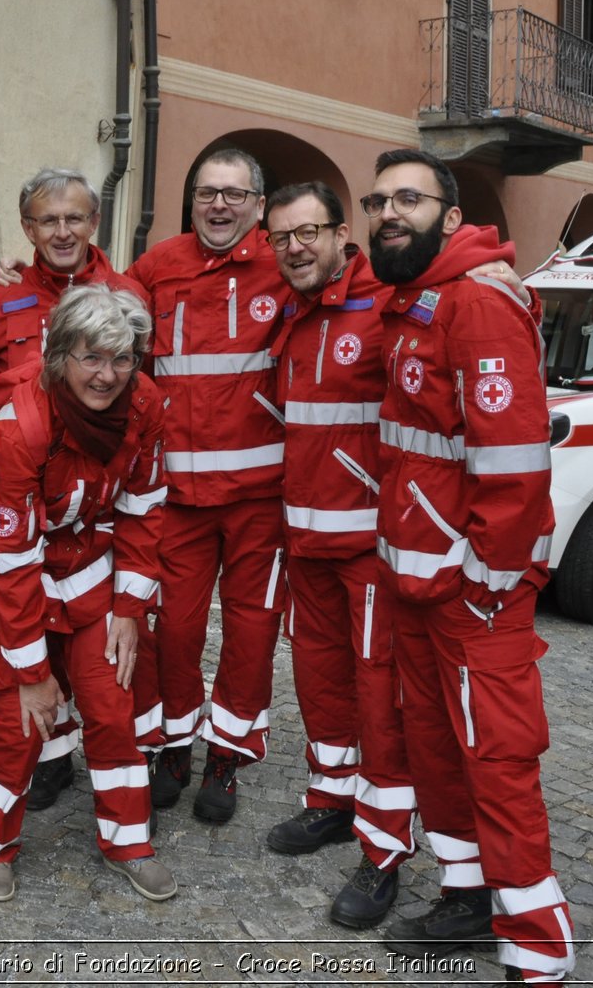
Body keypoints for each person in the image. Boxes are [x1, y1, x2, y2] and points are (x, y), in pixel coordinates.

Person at [367, 148, 574, 986]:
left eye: (409, 199)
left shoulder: (478, 304)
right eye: (378, 198)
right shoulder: (415, 297)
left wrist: (486, 577)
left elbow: (517, 463)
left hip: (470, 589)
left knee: (497, 756)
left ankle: (539, 947)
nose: (388, 211)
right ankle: (466, 895)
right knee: (438, 746)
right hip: (420, 578)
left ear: (450, 218)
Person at [0, 282, 173, 903]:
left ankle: (128, 840)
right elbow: (13, 560)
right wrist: (31, 669)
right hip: (9, 572)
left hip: (87, 564)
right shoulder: (21, 426)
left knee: (112, 705)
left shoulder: (147, 405)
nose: (108, 376)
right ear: (60, 358)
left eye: (123, 358)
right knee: (21, 720)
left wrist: (131, 609)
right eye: (92, 358)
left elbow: (143, 506)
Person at [262, 181, 415, 929]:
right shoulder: (291, 312)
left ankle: (383, 851)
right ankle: (330, 798)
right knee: (320, 685)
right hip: (307, 545)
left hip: (368, 553)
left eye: (307, 232)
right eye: (282, 236)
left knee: (378, 701)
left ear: (340, 234)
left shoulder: (382, 304)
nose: (294, 246)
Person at [0, 168, 153, 810]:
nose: (62, 231)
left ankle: (129, 796)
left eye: (74, 218)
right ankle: (46, 757)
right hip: (17, 496)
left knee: (109, 674)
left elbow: (135, 405)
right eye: (47, 220)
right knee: (19, 658)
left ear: (94, 223)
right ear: (28, 229)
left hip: (90, 520)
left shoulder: (128, 294)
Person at [129, 148, 288, 824]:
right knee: (176, 632)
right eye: (206, 194)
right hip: (180, 498)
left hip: (257, 496)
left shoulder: (285, 266)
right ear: (190, 201)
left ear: (258, 204)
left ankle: (226, 751)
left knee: (252, 634)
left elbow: (361, 286)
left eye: (233, 193)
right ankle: (172, 741)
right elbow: (104, 296)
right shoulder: (158, 265)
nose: (219, 206)